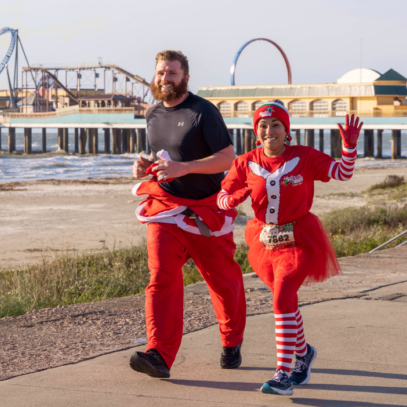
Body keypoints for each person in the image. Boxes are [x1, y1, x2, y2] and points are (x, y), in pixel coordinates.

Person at [217, 100, 362, 395]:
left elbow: (342, 172)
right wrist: (231, 201)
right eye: (263, 125)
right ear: (257, 132)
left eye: (276, 125)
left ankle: (282, 373)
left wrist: (348, 147)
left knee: (282, 298)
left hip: (301, 240)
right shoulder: (244, 163)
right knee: (288, 301)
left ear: (287, 130)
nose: (269, 130)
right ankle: (304, 353)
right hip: (264, 243)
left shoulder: (304, 157)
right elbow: (221, 197)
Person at [129, 50, 247, 379]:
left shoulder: (202, 112)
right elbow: (162, 156)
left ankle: (231, 340)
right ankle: (159, 354)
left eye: (172, 73)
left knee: (222, 281)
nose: (165, 79)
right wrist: (146, 166)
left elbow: (227, 159)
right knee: (160, 278)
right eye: (161, 73)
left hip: (206, 209)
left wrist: (184, 168)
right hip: (166, 207)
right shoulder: (152, 114)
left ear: (186, 77)